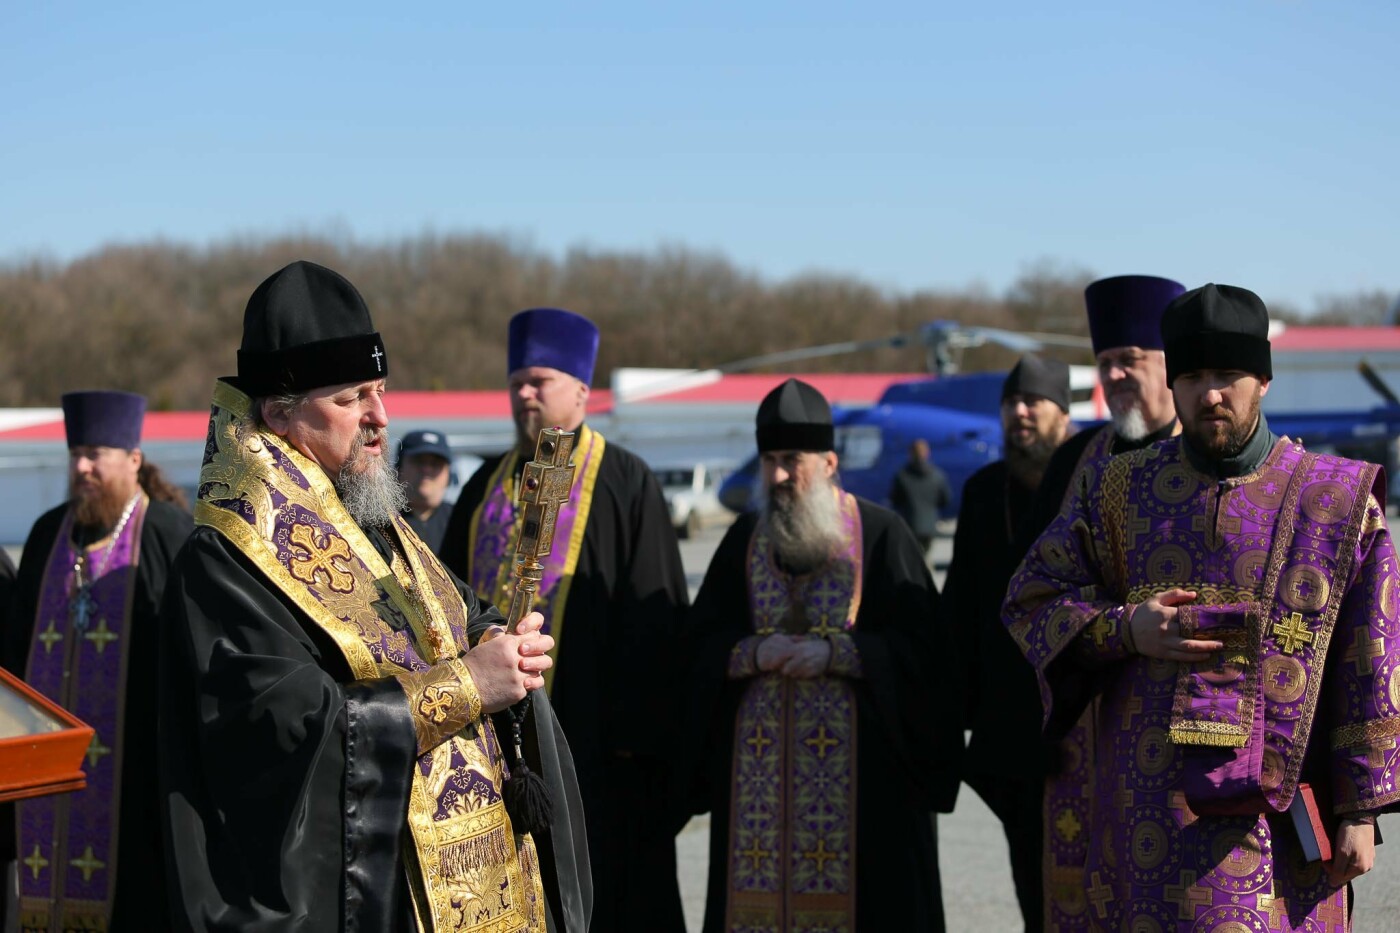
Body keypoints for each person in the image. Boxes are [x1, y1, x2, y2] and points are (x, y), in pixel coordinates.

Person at [158, 261, 589, 932]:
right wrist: (465, 687)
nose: (381, 417)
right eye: (353, 396)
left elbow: (455, 614)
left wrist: (496, 639)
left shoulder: (366, 514)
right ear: (279, 409)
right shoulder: (224, 559)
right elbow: (289, 733)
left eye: (381, 389)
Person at [1004, 284, 1399, 931]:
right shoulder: (1115, 489)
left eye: (1227, 374)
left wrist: (1360, 809)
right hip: (1144, 820)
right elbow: (1032, 596)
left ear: (1263, 379)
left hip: (1280, 829)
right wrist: (1126, 628)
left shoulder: (1337, 499)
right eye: (1192, 376)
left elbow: (1373, 658)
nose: (1210, 393)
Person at [681, 377, 962, 932]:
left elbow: (930, 658)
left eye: (793, 459)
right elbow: (696, 648)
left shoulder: (883, 535)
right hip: (757, 806)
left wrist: (839, 655)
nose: (780, 476)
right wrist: (753, 653)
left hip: (866, 804)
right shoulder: (742, 540)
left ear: (830, 462)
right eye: (769, 461)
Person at [440, 307, 689, 933]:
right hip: (496, 749)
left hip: (600, 749)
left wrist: (641, 744)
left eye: (539, 380)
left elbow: (655, 624)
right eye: (517, 380)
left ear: (581, 390)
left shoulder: (624, 481)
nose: (524, 392)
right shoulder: (483, 487)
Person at [1015, 273, 1185, 929]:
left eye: (1130, 360)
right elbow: (1030, 591)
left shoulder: (1208, 454)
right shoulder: (1075, 462)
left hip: (1186, 721)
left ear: (1172, 367)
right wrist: (1116, 628)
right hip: (1089, 721)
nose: (1114, 375)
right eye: (1105, 362)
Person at [3, 390, 192, 932]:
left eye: (95, 454)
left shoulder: (168, 537)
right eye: (75, 454)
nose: (82, 467)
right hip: (49, 785)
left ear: (133, 459)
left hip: (134, 785)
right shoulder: (46, 535)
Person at [944, 355, 1073, 932]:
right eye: (1010, 403)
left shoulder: (1091, 477)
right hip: (1011, 720)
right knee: (1031, 877)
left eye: (1033, 402)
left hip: (1082, 711)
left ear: (1063, 414)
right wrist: (956, 710)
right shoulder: (981, 491)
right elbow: (962, 604)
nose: (1019, 413)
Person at [888, 437, 951, 553]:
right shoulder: (937, 475)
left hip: (909, 524)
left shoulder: (902, 476)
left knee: (913, 558)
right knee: (926, 556)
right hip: (930, 525)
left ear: (910, 453)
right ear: (927, 453)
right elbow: (945, 499)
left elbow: (895, 500)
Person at [396, 428, 455, 552]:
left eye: (435, 464)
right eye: (419, 462)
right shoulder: (381, 521)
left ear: (448, 475)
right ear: (398, 468)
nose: (426, 470)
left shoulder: (460, 519)